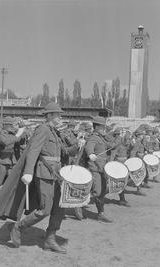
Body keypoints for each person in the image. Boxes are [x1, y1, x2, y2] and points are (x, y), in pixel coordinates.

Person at [8, 102, 80, 253]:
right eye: (57, 114)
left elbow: (64, 152)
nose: (60, 117)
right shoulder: (43, 129)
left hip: (57, 174)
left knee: (59, 209)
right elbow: (33, 150)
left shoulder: (55, 131)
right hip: (45, 174)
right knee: (45, 210)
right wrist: (28, 172)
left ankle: (50, 240)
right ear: (49, 116)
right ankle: (18, 227)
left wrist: (78, 146)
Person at [85, 116, 116, 223]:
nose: (104, 128)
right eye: (102, 126)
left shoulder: (102, 137)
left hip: (102, 169)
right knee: (97, 192)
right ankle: (79, 203)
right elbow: (89, 147)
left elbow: (112, 145)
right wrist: (91, 154)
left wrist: (108, 135)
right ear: (97, 127)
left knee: (102, 192)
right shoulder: (94, 137)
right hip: (95, 168)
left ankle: (100, 213)